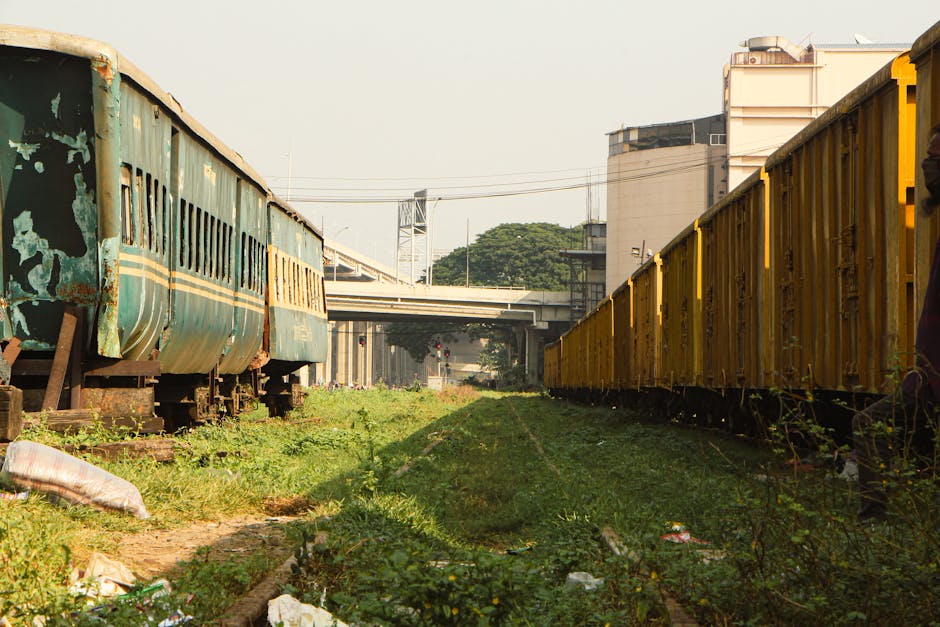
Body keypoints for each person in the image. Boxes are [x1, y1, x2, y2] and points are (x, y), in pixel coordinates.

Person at [852, 124, 940, 521]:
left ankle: (875, 516)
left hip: (931, 377)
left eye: (935, 160)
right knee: (868, 423)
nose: (927, 168)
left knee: (868, 423)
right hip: (927, 377)